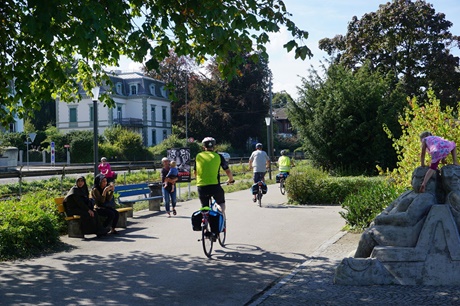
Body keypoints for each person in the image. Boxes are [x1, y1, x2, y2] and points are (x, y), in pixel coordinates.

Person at [354, 166, 437, 258]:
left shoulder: (425, 197)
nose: (422, 181)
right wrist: (381, 216)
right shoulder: (408, 193)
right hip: (394, 227)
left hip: (405, 234)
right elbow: (391, 206)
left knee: (369, 235)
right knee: (370, 230)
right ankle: (360, 262)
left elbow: (409, 218)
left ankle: (356, 265)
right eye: (419, 177)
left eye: (428, 179)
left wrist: (382, 220)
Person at [194, 137, 234, 214]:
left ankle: (204, 220)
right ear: (214, 146)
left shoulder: (198, 156)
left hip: (201, 186)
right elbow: (228, 171)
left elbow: (195, 172)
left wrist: (198, 180)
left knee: (204, 206)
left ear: (203, 147)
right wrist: (230, 179)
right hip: (215, 185)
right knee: (220, 202)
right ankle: (221, 213)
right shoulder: (219, 156)